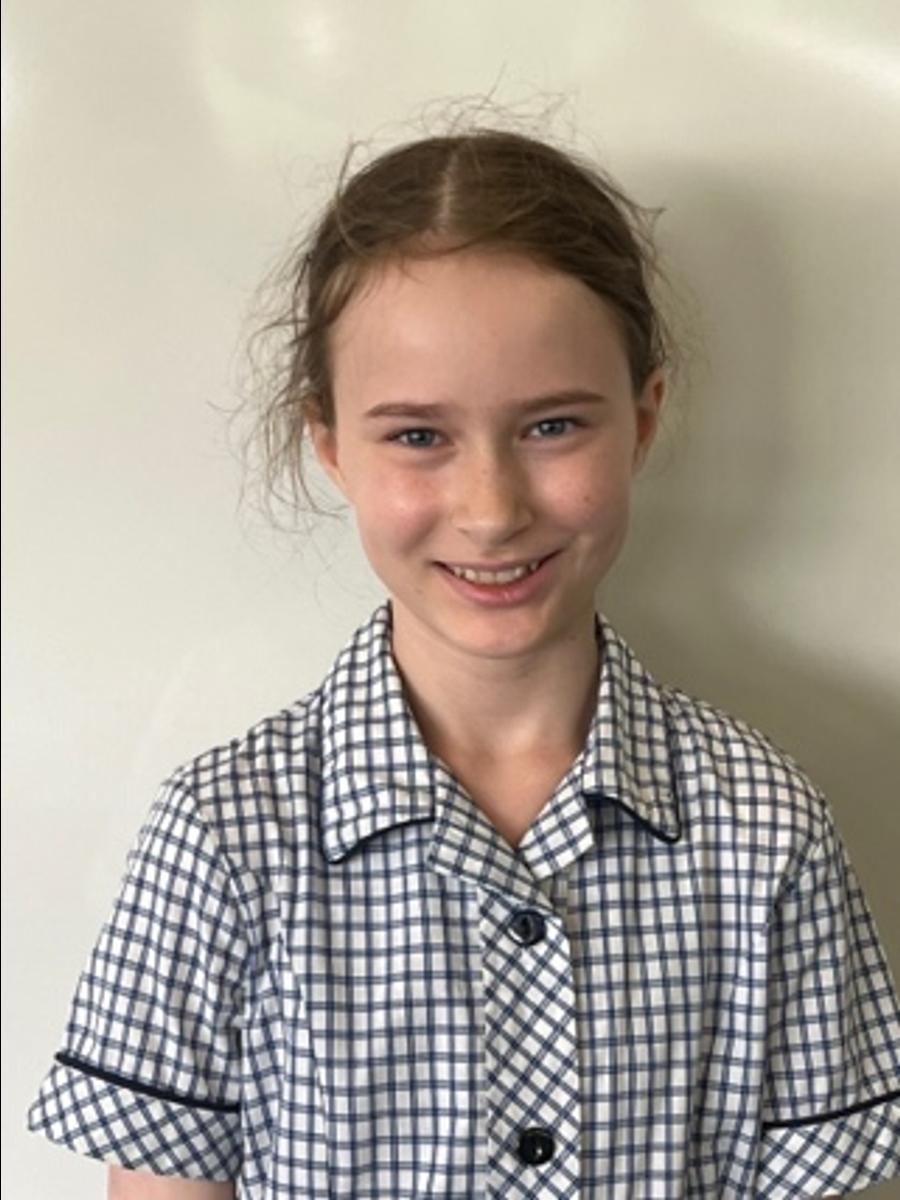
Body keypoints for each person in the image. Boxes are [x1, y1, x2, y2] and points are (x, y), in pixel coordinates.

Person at [27, 124, 900, 1199]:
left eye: (552, 426)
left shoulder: (765, 830)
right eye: (417, 436)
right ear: (331, 445)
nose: (491, 511)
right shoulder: (225, 836)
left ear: (642, 421)